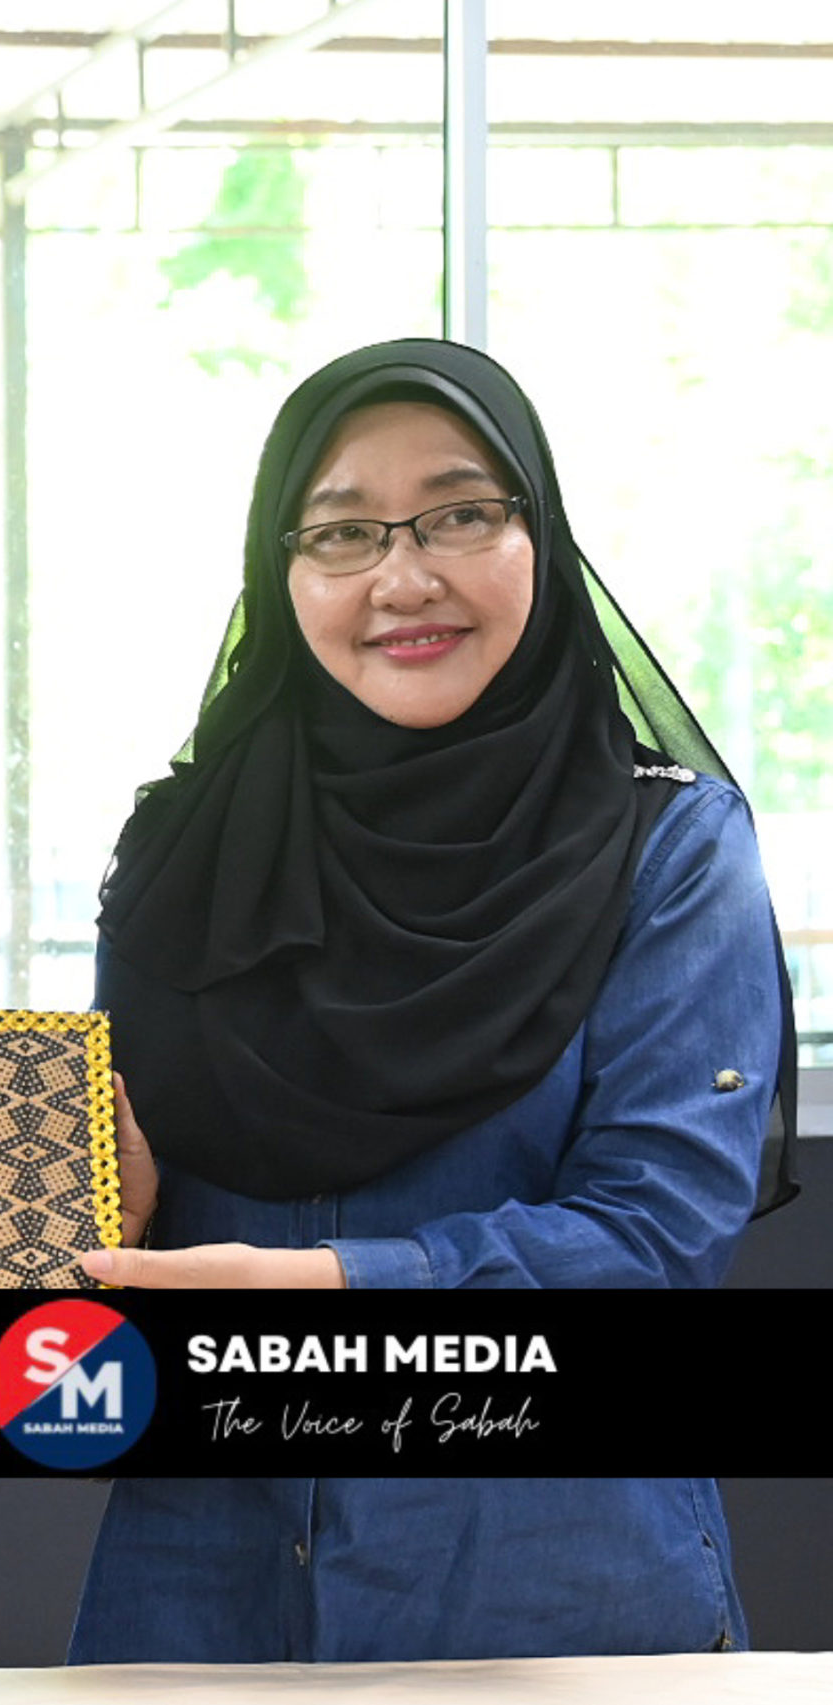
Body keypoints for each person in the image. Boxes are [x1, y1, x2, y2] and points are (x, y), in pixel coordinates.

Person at [72, 338, 794, 1661]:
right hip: (203, 1591)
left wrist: (333, 1287)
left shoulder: (667, 849)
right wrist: (98, 1215)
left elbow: (654, 1241)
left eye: (460, 514)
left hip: (551, 1598)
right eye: (342, 531)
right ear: (280, 569)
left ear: (540, 535)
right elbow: (112, 1273)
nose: (403, 578)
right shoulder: (181, 849)